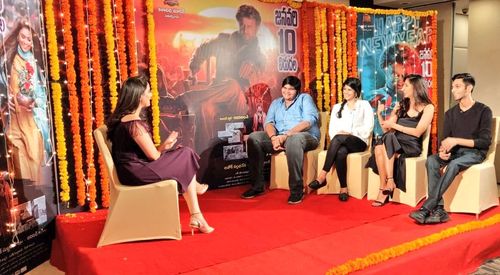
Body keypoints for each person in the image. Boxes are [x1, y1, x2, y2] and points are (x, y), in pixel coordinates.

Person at [106, 75, 213, 234]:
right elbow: (154, 157)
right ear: (139, 96)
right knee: (186, 153)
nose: (151, 95)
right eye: (148, 92)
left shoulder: (125, 119)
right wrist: (162, 148)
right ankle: (195, 205)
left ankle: (197, 215)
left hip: (132, 170)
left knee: (184, 155)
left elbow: (147, 152)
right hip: (137, 172)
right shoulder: (133, 122)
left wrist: (164, 146)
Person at [178, 4, 265, 153]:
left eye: (249, 26)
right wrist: (193, 71)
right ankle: (202, 155)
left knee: (232, 84)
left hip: (240, 101)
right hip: (218, 97)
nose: (245, 30)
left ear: (256, 28)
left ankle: (187, 98)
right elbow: (202, 50)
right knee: (204, 108)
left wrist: (252, 65)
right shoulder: (223, 40)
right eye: (242, 25)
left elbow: (261, 66)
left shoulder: (258, 53)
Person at [410, 73, 492, 224]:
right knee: (432, 160)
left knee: (454, 165)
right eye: (453, 87)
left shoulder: (484, 110)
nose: (453, 90)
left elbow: (485, 142)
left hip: (474, 153)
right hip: (454, 153)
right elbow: (444, 140)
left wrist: (456, 140)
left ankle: (427, 208)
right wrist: (443, 151)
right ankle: (440, 210)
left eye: (457, 86)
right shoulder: (450, 114)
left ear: (469, 88)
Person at [241, 76, 320, 204]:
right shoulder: (276, 103)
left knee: (294, 140)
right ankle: (257, 186)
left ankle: (296, 190)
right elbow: (269, 123)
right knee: (254, 138)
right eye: (285, 88)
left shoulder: (305, 99)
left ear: (297, 91)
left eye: (291, 89)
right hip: (279, 136)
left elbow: (308, 122)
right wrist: (273, 138)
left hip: (305, 136)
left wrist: (286, 135)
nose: (287, 91)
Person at [366, 74, 434, 207]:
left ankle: (386, 185)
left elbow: (418, 132)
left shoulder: (428, 107)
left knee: (384, 143)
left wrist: (395, 126)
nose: (402, 88)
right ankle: (386, 185)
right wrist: (380, 114)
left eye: (406, 85)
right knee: (381, 145)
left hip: (411, 144)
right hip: (394, 141)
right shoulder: (402, 104)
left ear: (415, 88)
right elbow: (387, 129)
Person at [0, 21, 51, 184]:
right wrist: (7, 99)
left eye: (29, 39)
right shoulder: (8, 60)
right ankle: (25, 194)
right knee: (17, 152)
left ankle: (35, 191)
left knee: (35, 145)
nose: (25, 42)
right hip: (14, 116)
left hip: (31, 116)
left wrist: (34, 101)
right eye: (23, 37)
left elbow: (42, 93)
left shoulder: (36, 64)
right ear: (17, 37)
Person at [308, 78, 374, 201]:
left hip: (359, 141)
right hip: (341, 142)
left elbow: (369, 126)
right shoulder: (337, 107)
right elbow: (332, 130)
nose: (346, 92)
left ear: (356, 92)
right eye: (344, 89)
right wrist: (341, 137)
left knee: (339, 138)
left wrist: (350, 133)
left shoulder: (364, 105)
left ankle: (322, 176)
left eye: (349, 89)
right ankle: (344, 188)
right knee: (340, 152)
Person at [366, 43, 421, 137]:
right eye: (395, 75)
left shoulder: (415, 100)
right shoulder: (374, 97)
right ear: (385, 71)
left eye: (404, 75)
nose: (401, 80)